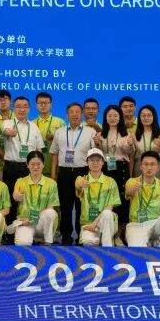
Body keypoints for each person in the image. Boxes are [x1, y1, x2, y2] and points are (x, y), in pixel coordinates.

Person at [49, 102, 95, 244]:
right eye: (71, 112)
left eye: (77, 112)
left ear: (82, 114)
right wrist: (53, 175)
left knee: (82, 206)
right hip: (64, 173)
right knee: (65, 207)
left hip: (83, 173)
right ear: (67, 115)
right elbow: (54, 153)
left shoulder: (90, 132)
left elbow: (94, 154)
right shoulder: (59, 132)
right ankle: (66, 237)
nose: (75, 114)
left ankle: (81, 236)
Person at [0, 96, 44, 223]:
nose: (22, 109)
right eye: (18, 106)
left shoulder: (34, 127)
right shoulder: (8, 123)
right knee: (10, 199)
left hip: (30, 169)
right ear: (13, 108)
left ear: (29, 109)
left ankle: (29, 226)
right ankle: (10, 229)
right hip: (11, 167)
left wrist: (40, 168)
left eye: (25, 106)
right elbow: (5, 131)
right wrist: (9, 132)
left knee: (30, 198)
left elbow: (39, 150)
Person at [96, 103, 135, 242]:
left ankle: (119, 234)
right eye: (110, 116)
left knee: (122, 201)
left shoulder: (126, 134)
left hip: (121, 168)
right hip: (106, 168)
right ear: (105, 118)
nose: (112, 118)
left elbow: (130, 154)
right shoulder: (100, 134)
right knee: (106, 199)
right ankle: (107, 232)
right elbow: (98, 153)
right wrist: (97, 143)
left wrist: (130, 145)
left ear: (120, 117)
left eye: (115, 115)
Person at [123, 151, 160, 247]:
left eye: (152, 164)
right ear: (141, 167)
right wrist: (133, 189)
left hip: (156, 223)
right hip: (137, 225)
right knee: (137, 248)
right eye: (146, 164)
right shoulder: (132, 181)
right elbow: (128, 192)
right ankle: (152, 242)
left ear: (158, 167)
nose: (149, 167)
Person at [9, 150, 58, 246]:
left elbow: (50, 207)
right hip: (25, 222)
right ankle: (31, 238)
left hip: (41, 223)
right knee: (22, 243)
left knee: (50, 212)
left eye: (38, 164)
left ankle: (48, 242)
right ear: (27, 165)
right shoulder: (20, 181)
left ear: (43, 164)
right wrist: (16, 195)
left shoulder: (51, 183)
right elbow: (15, 196)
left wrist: (32, 219)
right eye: (32, 164)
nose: (35, 167)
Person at [75, 149, 120, 247]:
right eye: (91, 160)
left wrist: (95, 223)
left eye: (98, 160)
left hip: (105, 221)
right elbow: (78, 185)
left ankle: (107, 247)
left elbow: (109, 207)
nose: (95, 163)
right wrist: (80, 185)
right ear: (87, 162)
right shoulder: (81, 179)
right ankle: (104, 239)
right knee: (88, 243)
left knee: (107, 213)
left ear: (103, 162)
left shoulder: (111, 181)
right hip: (88, 223)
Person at [33, 92, 65, 176]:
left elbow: (66, 143)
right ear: (36, 105)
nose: (43, 105)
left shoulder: (60, 122)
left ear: (51, 105)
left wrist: (55, 137)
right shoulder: (32, 124)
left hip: (55, 165)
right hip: (36, 167)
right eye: (40, 103)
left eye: (46, 103)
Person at [130, 105, 160, 173]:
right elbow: (132, 156)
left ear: (154, 117)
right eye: (143, 115)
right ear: (139, 117)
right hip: (140, 165)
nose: (146, 118)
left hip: (156, 165)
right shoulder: (134, 135)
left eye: (149, 115)